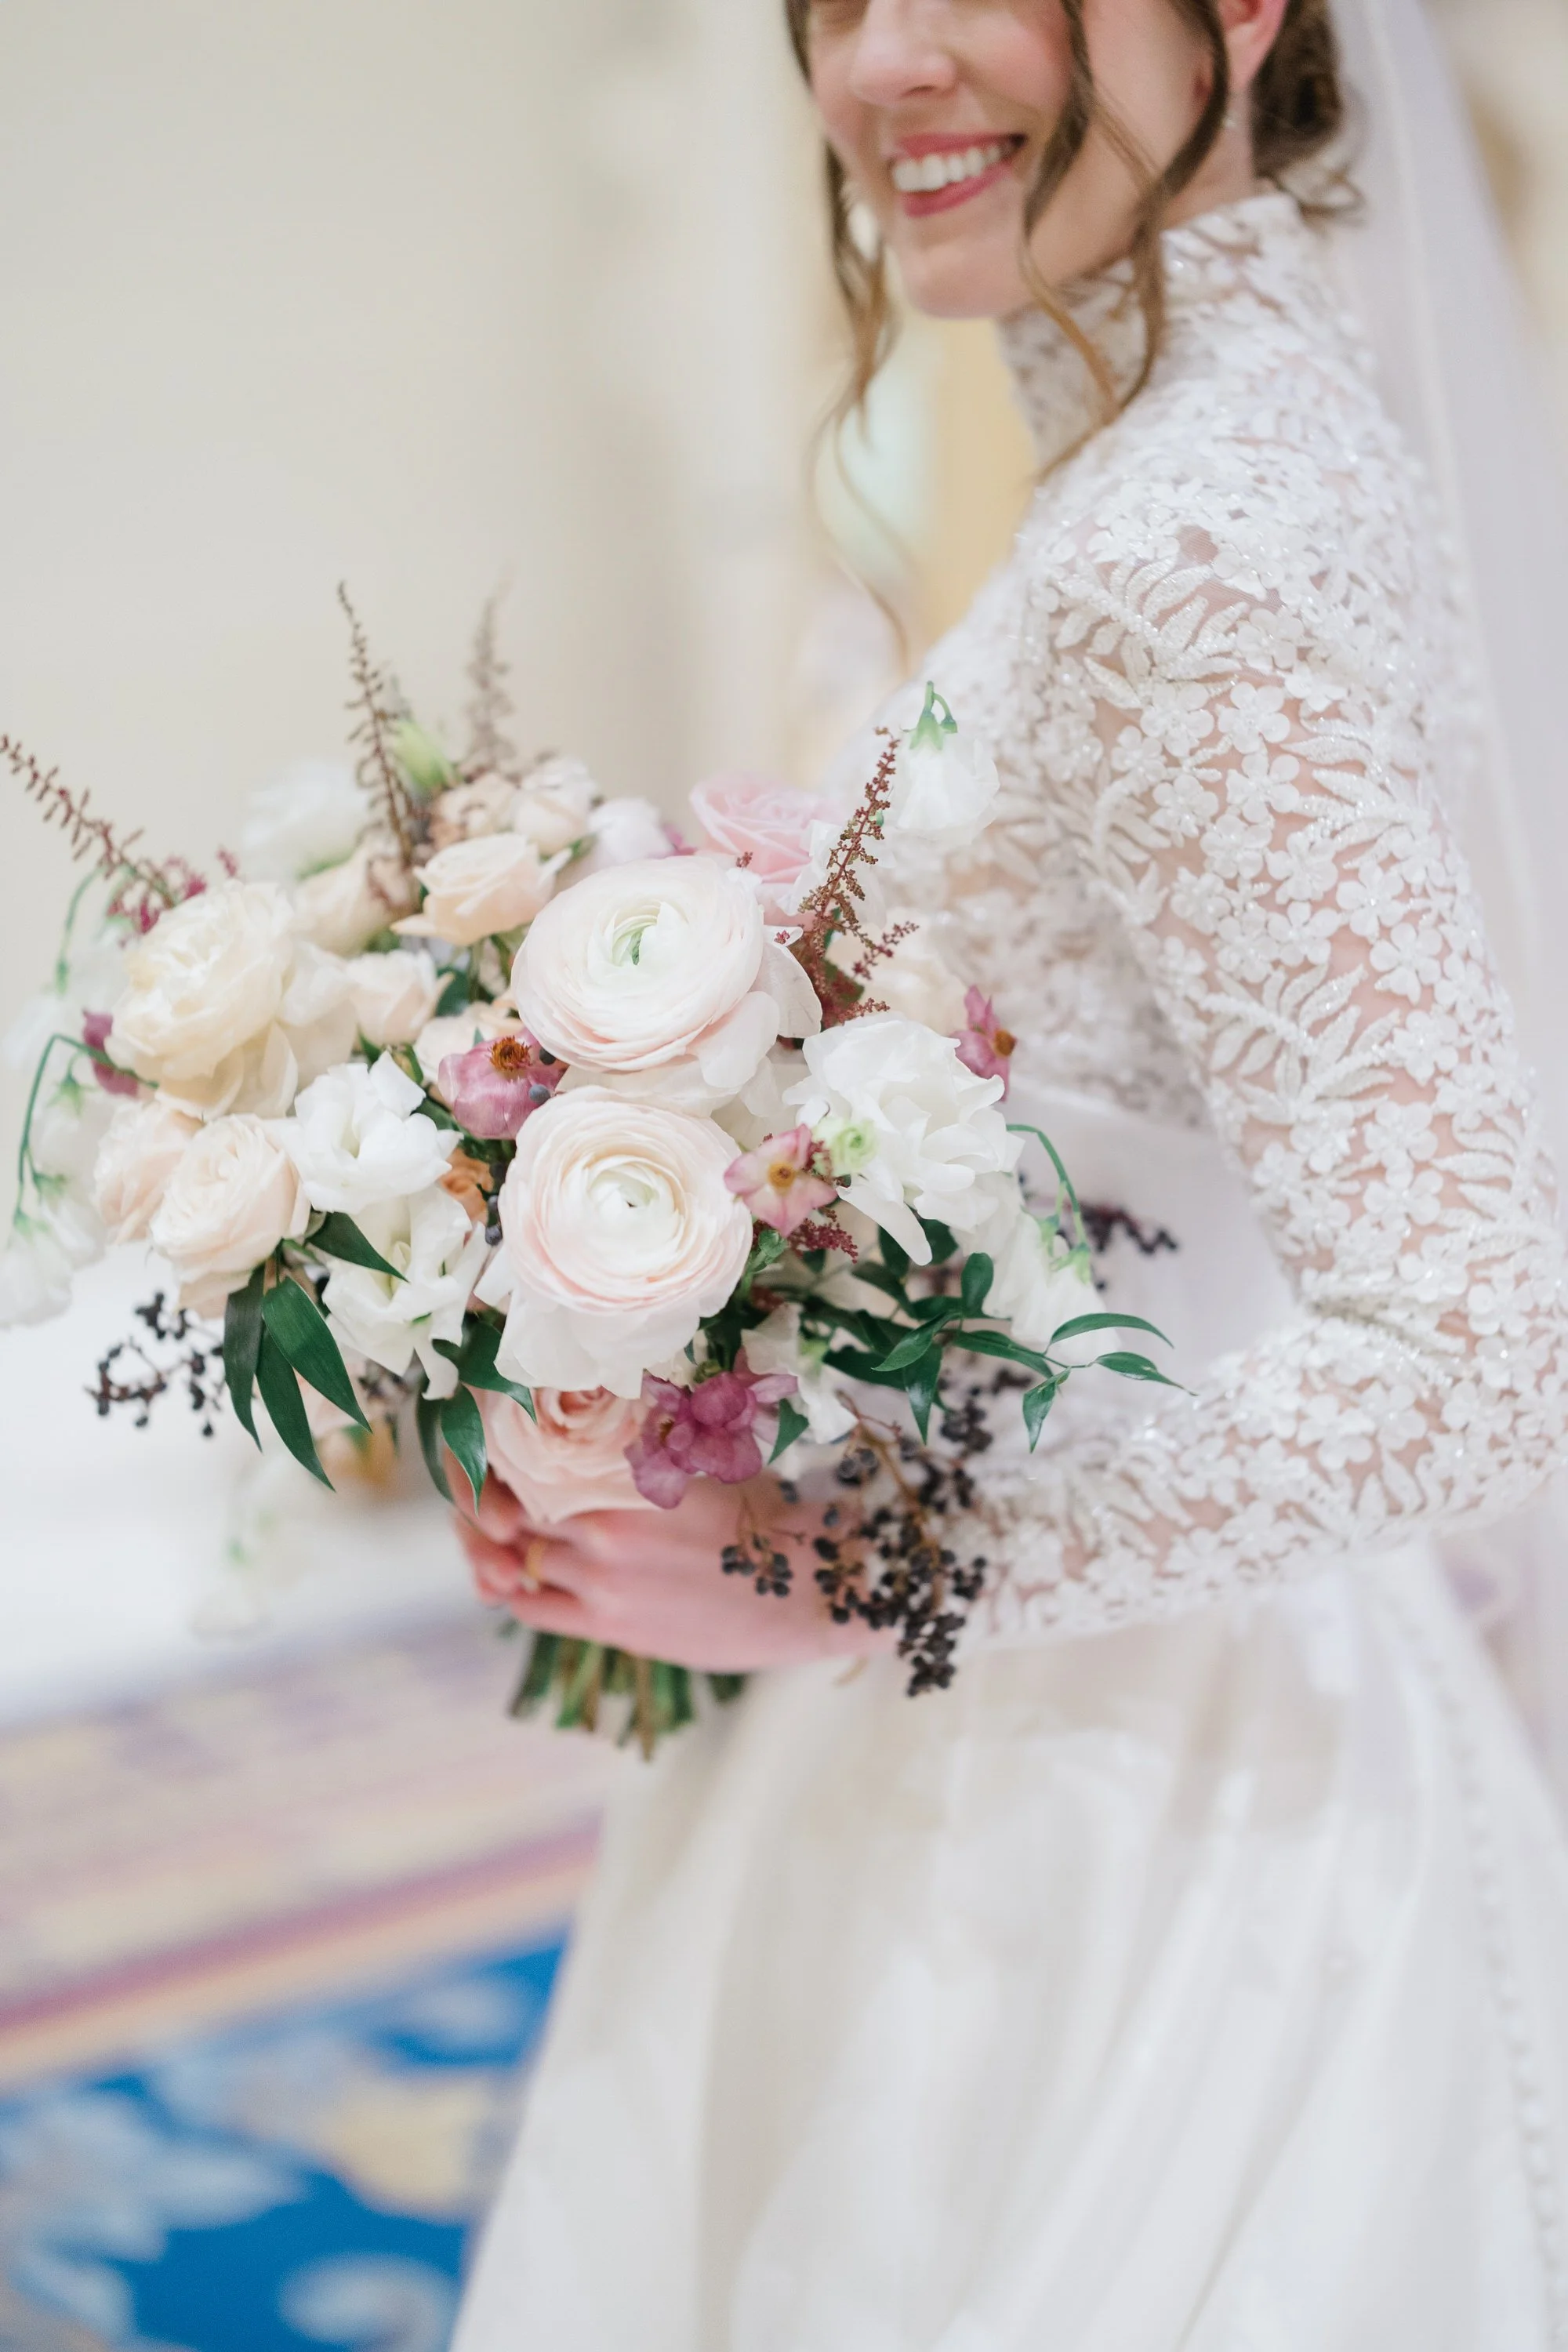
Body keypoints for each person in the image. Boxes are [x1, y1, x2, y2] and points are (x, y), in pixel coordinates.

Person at [454, 0, 1568, 2342]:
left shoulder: (1191, 551)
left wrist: (847, 1562)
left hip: (1124, 1829)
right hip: (1105, 1694)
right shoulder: (1212, 450)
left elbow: (1481, 1353)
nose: (879, 68)